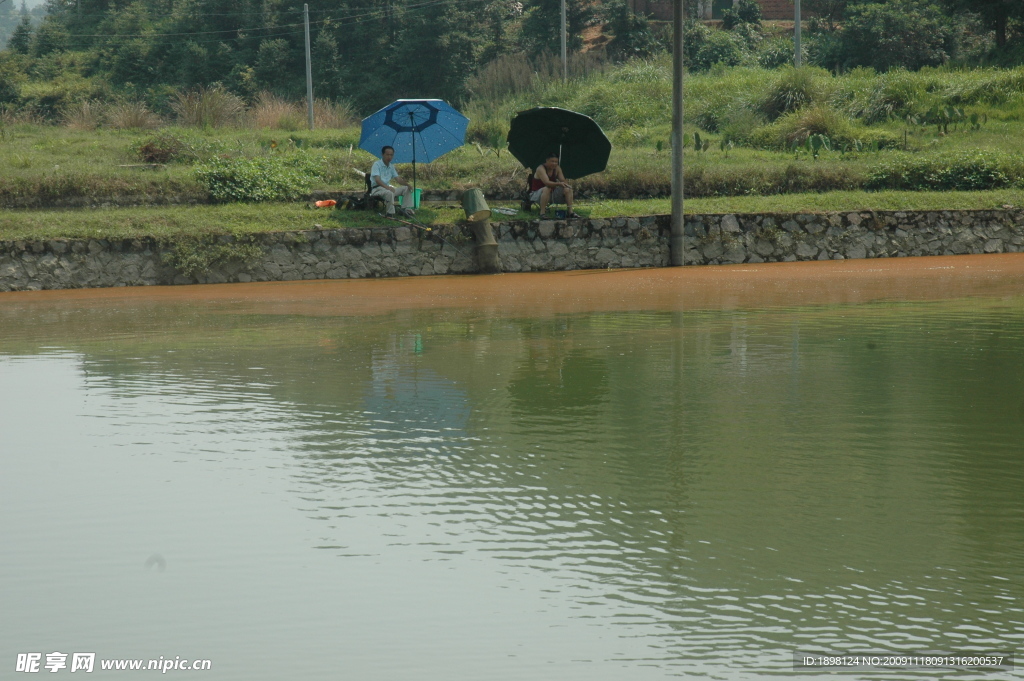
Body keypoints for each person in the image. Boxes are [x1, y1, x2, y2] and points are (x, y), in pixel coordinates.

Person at [531, 152, 579, 219]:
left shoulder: (557, 168)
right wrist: (559, 184)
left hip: (552, 193)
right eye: (552, 161)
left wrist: (565, 185)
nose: (554, 164)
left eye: (556, 162)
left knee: (568, 189)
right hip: (537, 194)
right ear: (547, 161)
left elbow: (563, 180)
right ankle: (542, 213)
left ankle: (570, 212)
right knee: (547, 188)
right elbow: (547, 182)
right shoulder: (540, 168)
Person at [370, 145, 414, 218]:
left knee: (406, 189)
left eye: (391, 155)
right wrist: (387, 187)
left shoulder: (391, 166)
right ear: (382, 154)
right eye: (387, 155)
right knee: (389, 192)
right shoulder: (377, 165)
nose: (389, 157)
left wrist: (408, 185)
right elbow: (377, 180)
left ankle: (405, 210)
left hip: (387, 188)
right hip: (377, 189)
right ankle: (390, 214)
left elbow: (398, 179)